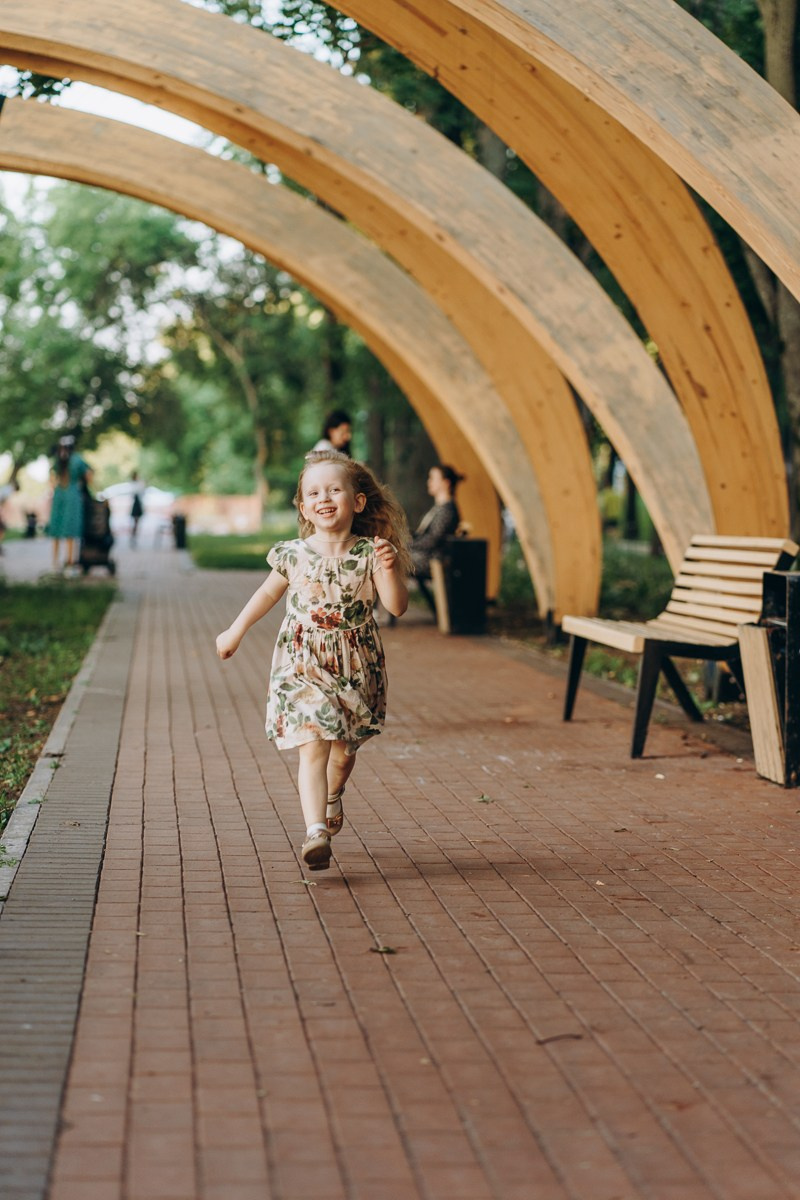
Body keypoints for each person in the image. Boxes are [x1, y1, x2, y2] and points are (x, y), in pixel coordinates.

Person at [216, 450, 411, 872]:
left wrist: (391, 568)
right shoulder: (293, 554)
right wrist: (235, 631)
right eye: (314, 493)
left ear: (357, 501)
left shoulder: (371, 552)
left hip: (355, 663)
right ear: (304, 508)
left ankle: (332, 795)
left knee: (343, 753)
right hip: (301, 659)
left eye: (334, 490)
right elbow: (267, 594)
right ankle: (315, 831)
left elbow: (396, 607)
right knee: (314, 740)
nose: (324, 498)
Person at [410, 464, 464, 616]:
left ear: (446, 483)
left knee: (390, 558)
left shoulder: (447, 510)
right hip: (428, 556)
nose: (429, 482)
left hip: (434, 559)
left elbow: (433, 540)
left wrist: (406, 545)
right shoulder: (440, 508)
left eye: (433, 478)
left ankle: (376, 610)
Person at [48, 436, 92, 573]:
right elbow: (89, 475)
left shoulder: (57, 460)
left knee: (57, 530)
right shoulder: (77, 459)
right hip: (72, 496)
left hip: (59, 495)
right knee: (71, 530)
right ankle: (70, 564)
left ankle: (55, 564)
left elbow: (51, 479)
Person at [130, 471, 145, 547]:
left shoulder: (136, 484)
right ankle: (133, 537)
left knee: (136, 522)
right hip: (136, 504)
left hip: (137, 504)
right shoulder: (135, 484)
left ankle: (134, 537)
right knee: (135, 522)